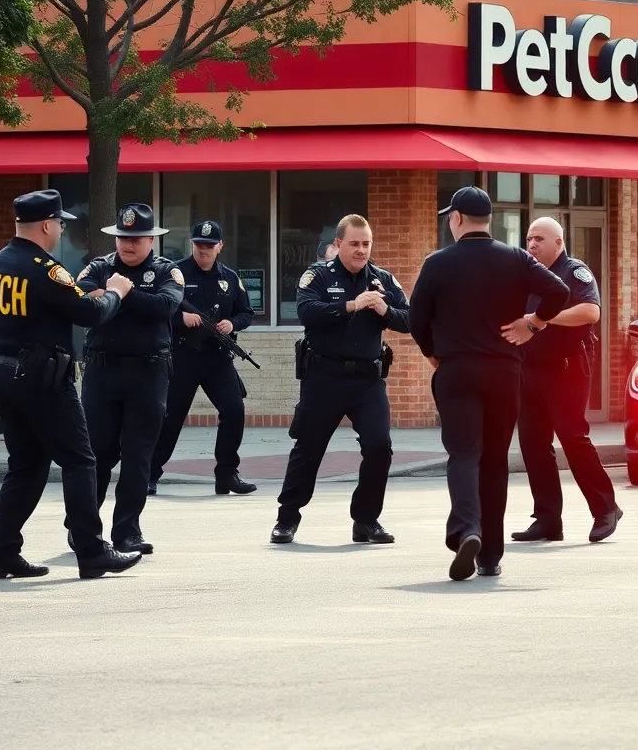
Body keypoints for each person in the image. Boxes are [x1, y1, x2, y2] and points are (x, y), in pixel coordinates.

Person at [409, 186, 570, 581]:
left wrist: (432, 353)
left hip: (457, 371)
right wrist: (533, 324)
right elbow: (559, 291)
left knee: (464, 453)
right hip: (503, 372)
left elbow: (416, 319)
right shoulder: (516, 258)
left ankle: (468, 529)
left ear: (457, 219)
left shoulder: (437, 263)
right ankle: (490, 556)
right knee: (495, 460)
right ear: (488, 220)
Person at [0, 189, 142, 580]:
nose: (61, 230)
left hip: (2, 376)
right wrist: (117, 293)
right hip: (42, 379)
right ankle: (92, 550)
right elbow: (89, 314)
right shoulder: (45, 268)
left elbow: (42, 307)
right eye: (59, 223)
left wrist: (88, 294)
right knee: (80, 460)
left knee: (26, 466)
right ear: (46, 225)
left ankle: (1, 552)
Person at [270, 214, 410, 545]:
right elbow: (306, 312)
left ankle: (366, 520)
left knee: (379, 447)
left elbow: (410, 319)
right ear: (338, 243)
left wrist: (385, 311)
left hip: (367, 382)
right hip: (325, 378)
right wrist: (350, 305)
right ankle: (287, 518)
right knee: (308, 447)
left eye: (366, 244)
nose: (361, 250)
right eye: (354, 243)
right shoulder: (318, 275)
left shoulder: (382, 279)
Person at [73, 204, 184, 555]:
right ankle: (83, 529)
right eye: (123, 238)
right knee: (96, 453)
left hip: (148, 374)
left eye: (136, 239)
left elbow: (164, 308)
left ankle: (127, 532)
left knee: (138, 456)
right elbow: (79, 297)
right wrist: (120, 294)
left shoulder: (166, 271)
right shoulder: (100, 267)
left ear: (151, 240)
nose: (128, 245)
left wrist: (122, 293)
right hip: (102, 373)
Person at [504, 217, 622, 544]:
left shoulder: (574, 271)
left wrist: (541, 319)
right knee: (533, 444)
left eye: (539, 239)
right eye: (529, 238)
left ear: (559, 243)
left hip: (568, 369)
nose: (532, 244)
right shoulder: (526, 274)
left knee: (572, 438)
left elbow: (591, 312)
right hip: (530, 369)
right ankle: (547, 520)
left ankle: (606, 509)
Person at [149, 219, 256, 497]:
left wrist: (232, 324)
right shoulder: (175, 274)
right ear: (191, 244)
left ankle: (227, 474)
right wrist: (180, 318)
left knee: (234, 410)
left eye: (209, 245)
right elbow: (157, 308)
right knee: (170, 417)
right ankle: (149, 474)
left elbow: (246, 313)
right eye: (198, 244)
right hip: (182, 356)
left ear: (220, 246)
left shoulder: (230, 278)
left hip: (217, 358)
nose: (203, 250)